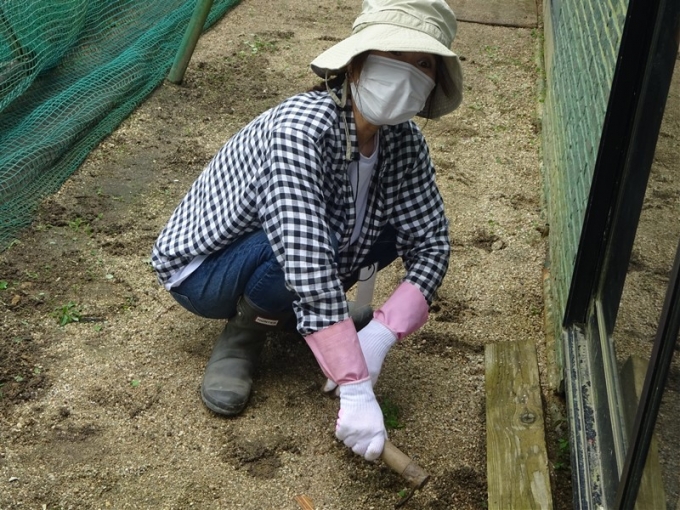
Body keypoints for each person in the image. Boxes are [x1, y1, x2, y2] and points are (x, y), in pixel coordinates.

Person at [151, 0, 463, 462]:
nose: (406, 74)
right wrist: (355, 386)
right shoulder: (302, 127)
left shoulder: (405, 143)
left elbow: (432, 242)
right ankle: (243, 339)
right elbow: (305, 254)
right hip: (207, 272)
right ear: (356, 64)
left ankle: (306, 320)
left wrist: (379, 336)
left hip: (299, 255)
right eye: (394, 55)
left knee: (394, 229)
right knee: (305, 244)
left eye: (423, 64)